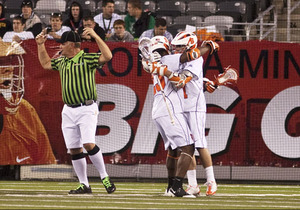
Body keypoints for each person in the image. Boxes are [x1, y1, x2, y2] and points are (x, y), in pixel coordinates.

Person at [35, 29, 116, 194]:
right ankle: (84, 184)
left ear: (72, 44)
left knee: (88, 143)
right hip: (68, 110)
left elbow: (107, 56)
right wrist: (40, 45)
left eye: (63, 43)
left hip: (86, 107)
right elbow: (46, 64)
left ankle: (104, 177)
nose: (61, 47)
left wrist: (95, 36)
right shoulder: (62, 61)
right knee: (74, 148)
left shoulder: (86, 58)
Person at [141, 36, 197, 198]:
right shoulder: (169, 59)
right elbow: (191, 56)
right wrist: (209, 47)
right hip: (169, 107)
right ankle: (177, 186)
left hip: (158, 108)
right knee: (188, 147)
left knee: (173, 150)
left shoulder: (156, 62)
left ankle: (170, 186)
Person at [170, 31, 218, 196]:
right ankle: (192, 184)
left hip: (195, 106)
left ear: (189, 45)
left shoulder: (196, 59)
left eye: (181, 46)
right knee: (186, 145)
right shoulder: (182, 59)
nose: (177, 49)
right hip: (181, 107)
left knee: (200, 143)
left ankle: (211, 181)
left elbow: (183, 80)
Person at [0, 41, 56, 165]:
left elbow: (46, 160)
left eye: (9, 61)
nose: (8, 68)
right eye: (1, 63)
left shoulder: (25, 109)